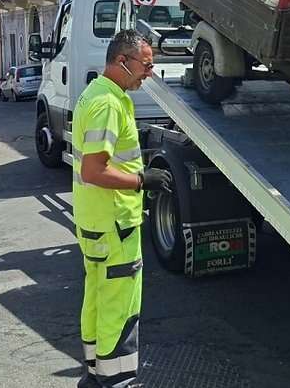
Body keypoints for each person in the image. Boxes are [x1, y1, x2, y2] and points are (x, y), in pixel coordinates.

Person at [73, 29, 171, 388]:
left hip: (96, 220)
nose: (149, 73)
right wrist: (142, 180)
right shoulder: (109, 104)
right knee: (121, 305)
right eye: (146, 65)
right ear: (122, 61)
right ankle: (117, 380)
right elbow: (93, 170)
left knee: (98, 297)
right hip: (115, 225)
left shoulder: (95, 94)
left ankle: (95, 374)